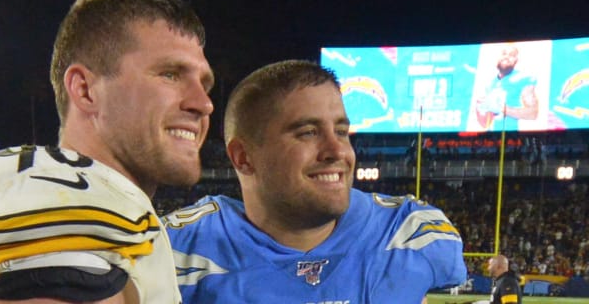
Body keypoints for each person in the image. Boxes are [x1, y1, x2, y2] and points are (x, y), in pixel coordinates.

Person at [0, 0, 213, 304]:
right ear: (85, 91)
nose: (203, 103)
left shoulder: (13, 179)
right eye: (169, 74)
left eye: (204, 84)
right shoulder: (69, 207)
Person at [165, 60, 466, 303]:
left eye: (341, 132)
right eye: (308, 132)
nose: (337, 151)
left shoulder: (409, 230)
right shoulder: (176, 250)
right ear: (243, 157)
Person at [475, 44, 539, 131]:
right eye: (504, 53)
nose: (507, 57)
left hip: (513, 138)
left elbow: (532, 113)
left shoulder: (524, 78)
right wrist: (480, 109)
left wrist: (502, 109)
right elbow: (485, 123)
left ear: (516, 60)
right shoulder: (490, 82)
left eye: (512, 55)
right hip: (490, 138)